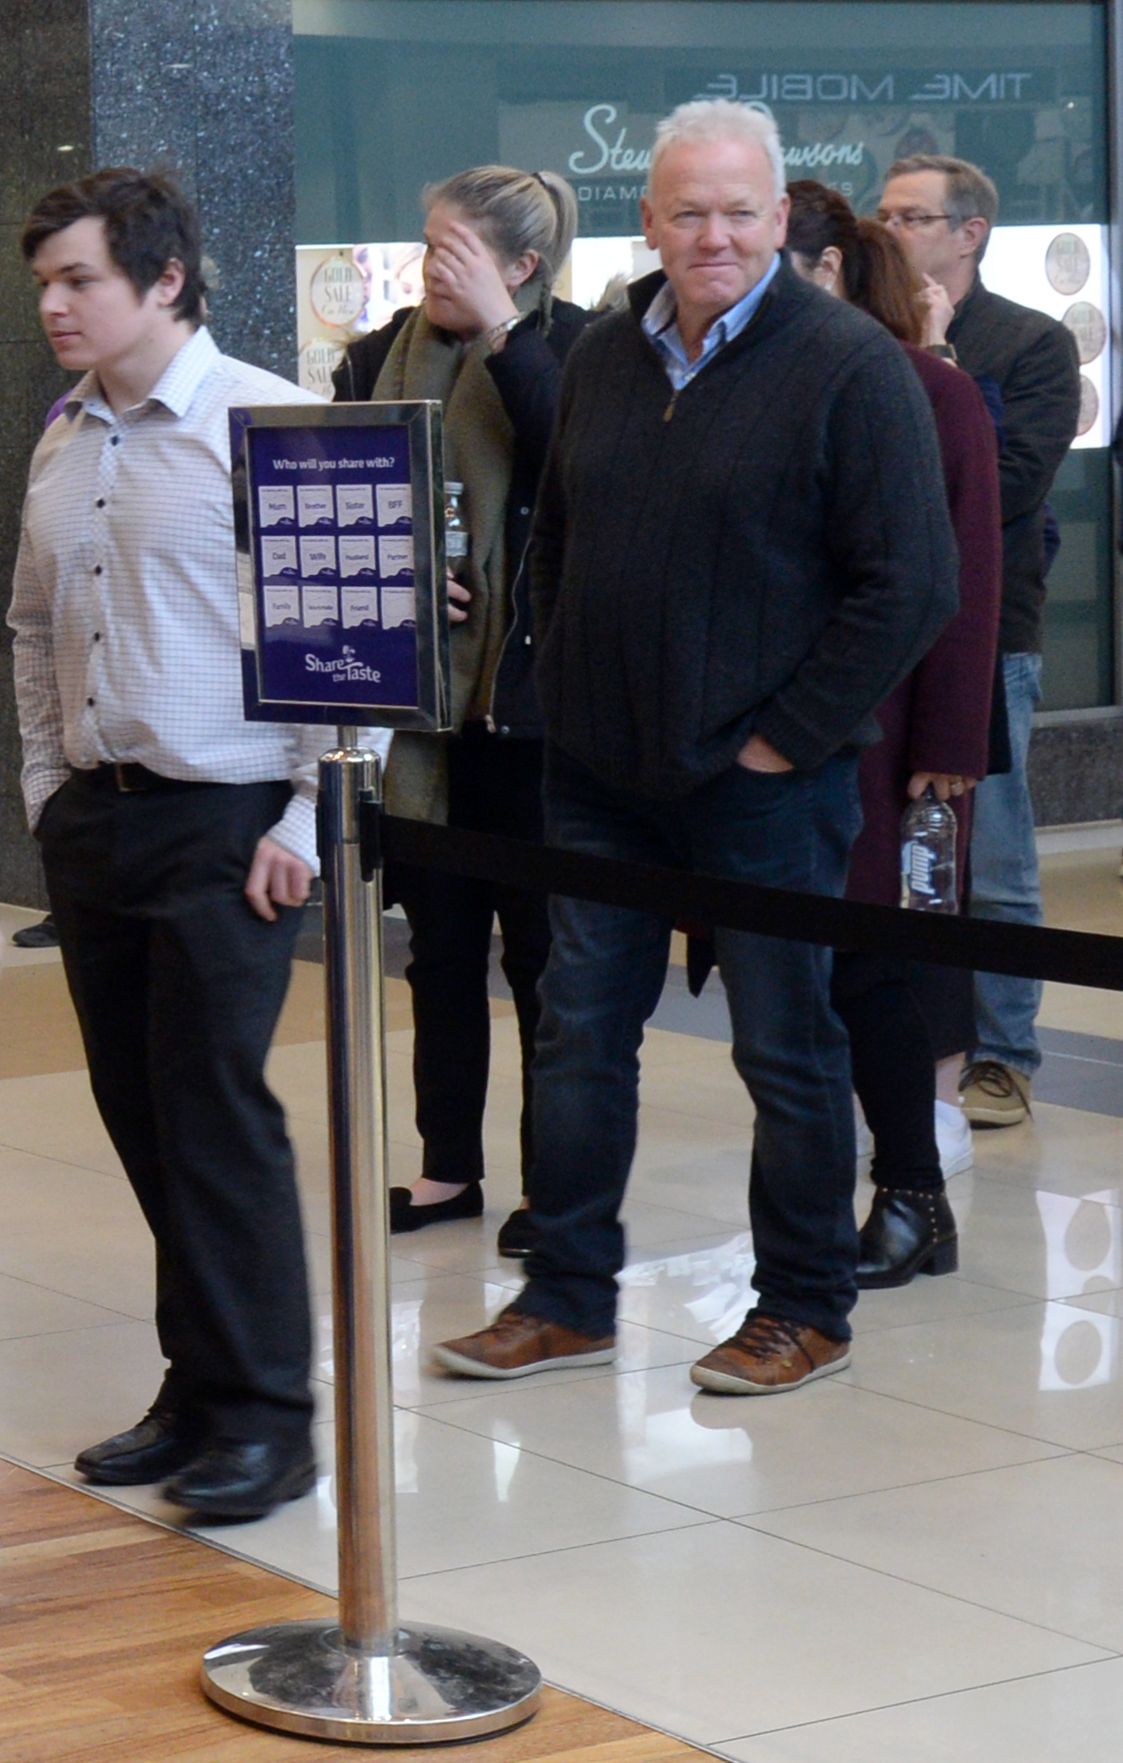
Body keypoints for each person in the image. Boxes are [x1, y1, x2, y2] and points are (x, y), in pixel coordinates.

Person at [432, 99, 956, 1397]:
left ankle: (805, 1310)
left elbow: (909, 587)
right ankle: (564, 1297)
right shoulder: (608, 356)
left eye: (737, 210)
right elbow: (555, 538)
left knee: (786, 1051)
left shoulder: (848, 364)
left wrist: (783, 741)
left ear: (779, 219)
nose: (711, 234)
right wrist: (567, 690)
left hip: (764, 787)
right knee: (574, 1039)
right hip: (600, 779)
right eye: (685, 211)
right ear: (649, 221)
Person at [12, 168, 336, 1522]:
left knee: (216, 1119)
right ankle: (196, 1384)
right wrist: (41, 782)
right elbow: (31, 626)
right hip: (99, 817)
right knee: (143, 1117)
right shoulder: (63, 436)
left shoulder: (268, 418)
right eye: (43, 283)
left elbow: (340, 637)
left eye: (79, 279)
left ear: (164, 283)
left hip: (230, 821)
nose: (52, 305)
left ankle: (270, 1415)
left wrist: (314, 817)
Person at [332, 168, 587, 1259]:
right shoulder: (375, 356)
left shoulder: (576, 351)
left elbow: (581, 470)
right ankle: (447, 1165)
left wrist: (499, 334)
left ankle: (553, 1183)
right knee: (435, 952)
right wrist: (383, 568)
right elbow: (334, 487)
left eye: (452, 252)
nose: (425, 269)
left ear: (520, 266)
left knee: (543, 964)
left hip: (531, 717)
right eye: (424, 245)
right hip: (424, 721)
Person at [783, 180, 998, 1286]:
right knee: (805, 980)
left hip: (895, 736)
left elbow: (962, 582)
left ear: (821, 271)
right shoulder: (759, 389)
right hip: (780, 735)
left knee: (875, 967)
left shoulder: (927, 388)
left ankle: (910, 1190)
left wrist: (950, 745)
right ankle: (848, 1200)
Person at [877, 153, 1080, 1135]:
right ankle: (905, 1043)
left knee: (990, 860)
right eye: (883, 214)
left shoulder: (1027, 342)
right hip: (882, 637)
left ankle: (1003, 1054)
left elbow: (1001, 485)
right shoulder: (859, 342)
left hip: (988, 633)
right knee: (891, 859)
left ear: (968, 233)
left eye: (913, 216)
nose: (894, 230)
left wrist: (941, 360)